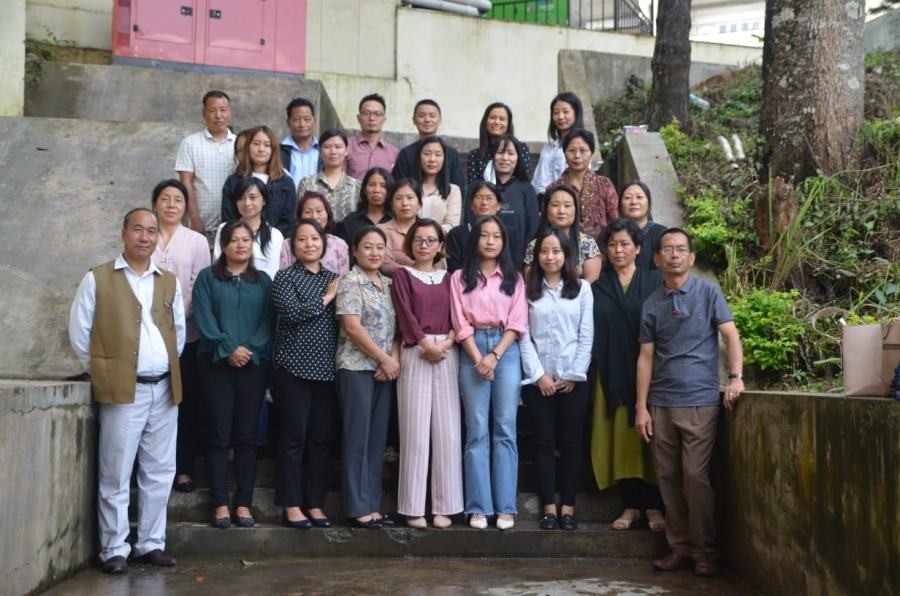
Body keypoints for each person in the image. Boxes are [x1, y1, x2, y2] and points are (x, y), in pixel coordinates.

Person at [69, 208, 185, 574]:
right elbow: (79, 334)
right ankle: (113, 548)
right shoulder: (98, 278)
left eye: (152, 231)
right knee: (116, 473)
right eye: (138, 229)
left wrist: (162, 367)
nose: (145, 237)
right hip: (122, 390)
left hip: (164, 390)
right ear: (124, 233)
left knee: (160, 471)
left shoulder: (169, 281)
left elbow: (178, 333)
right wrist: (104, 372)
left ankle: (150, 544)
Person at [635, 228, 745, 577]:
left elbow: (730, 335)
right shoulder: (652, 304)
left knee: (695, 478)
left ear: (692, 257)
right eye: (667, 249)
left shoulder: (708, 293)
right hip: (661, 404)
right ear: (657, 259)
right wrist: (641, 407)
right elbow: (645, 358)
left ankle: (705, 552)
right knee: (668, 478)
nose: (674, 254)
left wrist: (736, 377)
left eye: (681, 249)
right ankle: (679, 548)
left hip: (700, 400)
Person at [193, 220, 275, 529]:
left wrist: (249, 349)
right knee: (218, 434)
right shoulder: (208, 278)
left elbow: (269, 321)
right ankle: (219, 504)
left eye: (246, 239)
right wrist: (229, 348)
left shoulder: (264, 281)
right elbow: (204, 317)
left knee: (246, 436)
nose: (240, 244)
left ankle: (243, 502)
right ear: (223, 245)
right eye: (234, 240)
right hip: (216, 366)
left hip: (253, 367)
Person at [450, 215, 527, 531]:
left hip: (506, 351)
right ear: (476, 240)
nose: (491, 241)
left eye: (497, 236)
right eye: (485, 235)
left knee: (505, 428)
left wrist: (493, 356)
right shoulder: (458, 277)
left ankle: (506, 507)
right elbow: (459, 322)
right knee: (477, 428)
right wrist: (479, 357)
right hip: (471, 350)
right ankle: (478, 507)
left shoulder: (514, 277)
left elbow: (517, 322)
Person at [591, 219, 665, 533]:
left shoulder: (655, 282)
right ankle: (632, 505)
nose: (618, 250)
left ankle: (655, 507)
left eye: (625, 244)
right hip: (611, 370)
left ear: (638, 248)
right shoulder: (598, 288)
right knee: (623, 443)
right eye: (612, 244)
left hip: (652, 373)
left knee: (652, 442)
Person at [390, 219, 463, 529]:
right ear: (410, 244)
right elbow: (404, 313)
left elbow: (459, 314)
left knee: (448, 431)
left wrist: (447, 341)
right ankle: (412, 506)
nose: (424, 245)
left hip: (447, 349)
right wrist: (423, 342)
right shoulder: (402, 276)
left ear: (440, 246)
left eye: (430, 240)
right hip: (415, 350)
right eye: (418, 239)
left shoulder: (451, 278)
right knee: (415, 431)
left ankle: (446, 505)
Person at [520, 227, 593, 531]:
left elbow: (586, 335)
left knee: (572, 443)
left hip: (572, 380)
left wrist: (574, 374)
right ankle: (548, 506)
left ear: (566, 255)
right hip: (540, 381)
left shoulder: (582, 289)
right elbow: (522, 334)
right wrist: (539, 376)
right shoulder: (526, 289)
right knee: (543, 442)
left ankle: (569, 507)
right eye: (544, 251)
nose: (550, 257)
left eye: (556, 251)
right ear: (537, 257)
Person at [272, 219, 341, 529]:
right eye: (302, 239)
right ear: (292, 246)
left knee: (321, 439)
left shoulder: (335, 277)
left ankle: (315, 502)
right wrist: (326, 298)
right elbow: (292, 313)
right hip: (293, 368)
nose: (309, 244)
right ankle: (291, 504)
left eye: (315, 238)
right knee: (293, 438)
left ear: (323, 243)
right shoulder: (284, 278)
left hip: (328, 370)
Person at [335, 226, 400, 528]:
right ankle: (357, 507)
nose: (374, 253)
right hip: (356, 368)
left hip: (384, 372)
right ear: (355, 251)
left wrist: (393, 361)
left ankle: (372, 504)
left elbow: (398, 330)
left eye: (379, 247)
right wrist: (384, 358)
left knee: (376, 440)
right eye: (367, 247)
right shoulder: (351, 281)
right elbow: (352, 326)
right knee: (357, 438)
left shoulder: (389, 284)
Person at [150, 180, 211, 494]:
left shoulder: (197, 241)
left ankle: (183, 468)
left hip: (187, 335)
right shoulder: (146, 236)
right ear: (155, 204)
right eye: (165, 199)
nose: (172, 205)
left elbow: (198, 286)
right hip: (147, 336)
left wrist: (175, 316)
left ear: (186, 206)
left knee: (184, 402)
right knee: (153, 404)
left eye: (178, 199)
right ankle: (151, 468)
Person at [175, 90, 236, 239]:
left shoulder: (239, 144)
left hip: (233, 225)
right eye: (212, 110)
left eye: (223, 110)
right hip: (201, 225)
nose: (218, 115)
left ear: (229, 112)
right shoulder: (190, 143)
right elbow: (186, 183)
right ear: (204, 113)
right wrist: (195, 219)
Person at [222, 125, 296, 237]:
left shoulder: (285, 182)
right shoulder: (233, 181)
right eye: (256, 144)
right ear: (248, 147)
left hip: (276, 246)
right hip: (241, 244)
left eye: (267, 145)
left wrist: (269, 239)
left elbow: (288, 221)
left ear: (273, 149)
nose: (261, 149)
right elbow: (229, 218)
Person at [524, 184, 602, 283]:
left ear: (576, 210)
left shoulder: (586, 243)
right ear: (546, 209)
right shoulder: (534, 245)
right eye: (555, 205)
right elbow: (531, 282)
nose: (561, 211)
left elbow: (591, 282)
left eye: (567, 206)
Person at [550, 129, 618, 239]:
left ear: (591, 153)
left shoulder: (605, 185)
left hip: (600, 252)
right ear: (564, 153)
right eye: (572, 150)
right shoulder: (554, 188)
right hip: (563, 250)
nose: (577, 156)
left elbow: (614, 221)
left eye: (583, 150)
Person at [214, 177, 283, 281]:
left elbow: (272, 275)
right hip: (226, 288)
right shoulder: (224, 229)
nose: (247, 203)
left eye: (253, 197)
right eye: (241, 198)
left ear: (263, 200)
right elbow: (217, 265)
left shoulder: (274, 235)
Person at [490, 134, 540, 266]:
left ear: (518, 158)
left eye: (511, 153)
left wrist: (526, 261)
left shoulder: (527, 189)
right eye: (500, 152)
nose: (505, 158)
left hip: (518, 260)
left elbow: (533, 228)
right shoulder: (481, 187)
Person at [392, 99, 465, 188]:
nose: (427, 120)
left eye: (432, 116)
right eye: (422, 116)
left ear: (439, 120)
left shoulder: (452, 154)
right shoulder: (406, 153)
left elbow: (459, 187)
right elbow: (398, 186)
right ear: (414, 120)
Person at [298, 128, 361, 223]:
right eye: (327, 147)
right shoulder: (307, 183)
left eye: (338, 147)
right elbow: (299, 217)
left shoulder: (356, 186)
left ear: (346, 150)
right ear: (320, 150)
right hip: (315, 236)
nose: (333, 152)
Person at [280, 191, 350, 275]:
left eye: (319, 211)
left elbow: (344, 281)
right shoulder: (287, 245)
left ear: (328, 214)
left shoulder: (339, 245)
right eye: (308, 212)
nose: (314, 217)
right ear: (300, 216)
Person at [531, 92, 584, 195]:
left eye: (565, 112)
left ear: (576, 113)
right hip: (542, 201)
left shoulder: (582, 146)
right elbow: (538, 179)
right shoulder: (548, 147)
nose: (560, 117)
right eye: (556, 112)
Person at [466, 102, 531, 185]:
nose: (497, 122)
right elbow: (473, 187)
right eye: (492, 118)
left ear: (508, 124)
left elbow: (525, 179)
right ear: (485, 121)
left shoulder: (521, 148)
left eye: (502, 119)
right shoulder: (474, 155)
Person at [446, 181, 502, 273]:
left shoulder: (505, 234)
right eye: (479, 197)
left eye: (489, 198)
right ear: (471, 205)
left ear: (499, 205)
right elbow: (454, 268)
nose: (484, 202)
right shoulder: (456, 234)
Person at [410, 136, 462, 231]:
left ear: (444, 159)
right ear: (419, 157)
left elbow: (451, 225)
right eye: (427, 154)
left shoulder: (453, 190)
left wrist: (429, 236)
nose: (432, 159)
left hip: (441, 243)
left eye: (438, 154)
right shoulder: (408, 188)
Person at [345, 93, 400, 180]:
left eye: (377, 114)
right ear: (358, 118)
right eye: (367, 113)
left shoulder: (394, 154)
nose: (372, 118)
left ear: (384, 120)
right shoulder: (346, 146)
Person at [379, 178, 424, 277]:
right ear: (392, 205)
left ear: (419, 203)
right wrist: (419, 271)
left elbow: (438, 263)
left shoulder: (429, 230)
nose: (404, 203)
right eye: (399, 198)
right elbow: (385, 264)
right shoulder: (382, 230)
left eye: (410, 197)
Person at [619, 180, 667, 271]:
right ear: (620, 204)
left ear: (648, 203)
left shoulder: (661, 233)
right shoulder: (611, 233)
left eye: (639, 197)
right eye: (628, 197)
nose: (633, 202)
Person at [339, 167, 394, 244]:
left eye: (383, 186)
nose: (377, 190)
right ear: (364, 189)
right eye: (372, 185)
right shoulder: (350, 221)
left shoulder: (396, 220)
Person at [280, 97, 320, 185]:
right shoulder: (279, 151)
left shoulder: (323, 150)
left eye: (307, 119)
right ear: (288, 123)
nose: (302, 124)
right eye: (296, 119)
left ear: (314, 122)